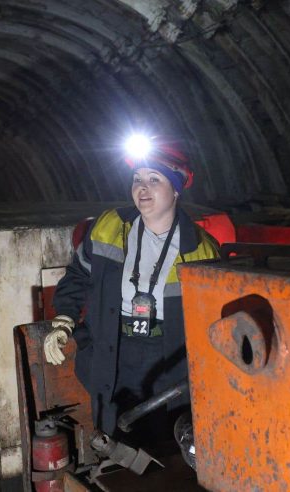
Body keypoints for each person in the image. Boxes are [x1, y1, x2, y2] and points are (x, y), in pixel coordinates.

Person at [44, 136, 220, 443]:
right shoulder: (109, 226)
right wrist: (64, 318)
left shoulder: (201, 250)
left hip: (168, 357)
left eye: (154, 179)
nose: (143, 188)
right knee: (113, 435)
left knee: (166, 438)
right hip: (113, 348)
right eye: (137, 179)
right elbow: (77, 275)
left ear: (176, 189)